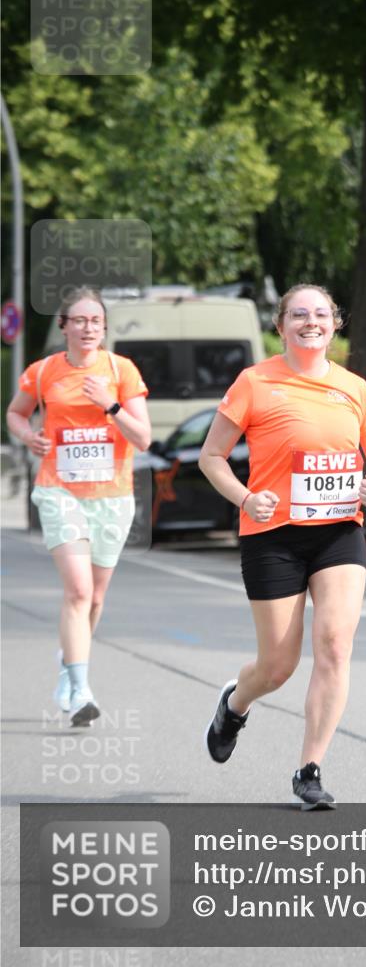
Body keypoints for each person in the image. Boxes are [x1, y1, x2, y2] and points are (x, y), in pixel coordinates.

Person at [199, 283, 366, 809]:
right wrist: (245, 499)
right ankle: (234, 705)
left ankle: (309, 770)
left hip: (338, 532)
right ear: (281, 324)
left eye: (322, 314)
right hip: (273, 536)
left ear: (336, 324)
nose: (312, 322)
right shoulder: (255, 381)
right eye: (299, 314)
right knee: (277, 667)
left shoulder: (355, 388)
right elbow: (211, 457)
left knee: (334, 645)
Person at [6, 286, 151, 726]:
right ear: (64, 326)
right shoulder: (44, 371)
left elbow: (142, 438)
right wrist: (27, 435)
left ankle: (69, 668)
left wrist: (109, 406)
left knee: (96, 597)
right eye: (80, 321)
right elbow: (15, 413)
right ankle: (82, 688)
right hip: (59, 491)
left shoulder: (121, 371)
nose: (88, 328)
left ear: (104, 328)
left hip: (113, 497)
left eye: (96, 322)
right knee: (79, 591)